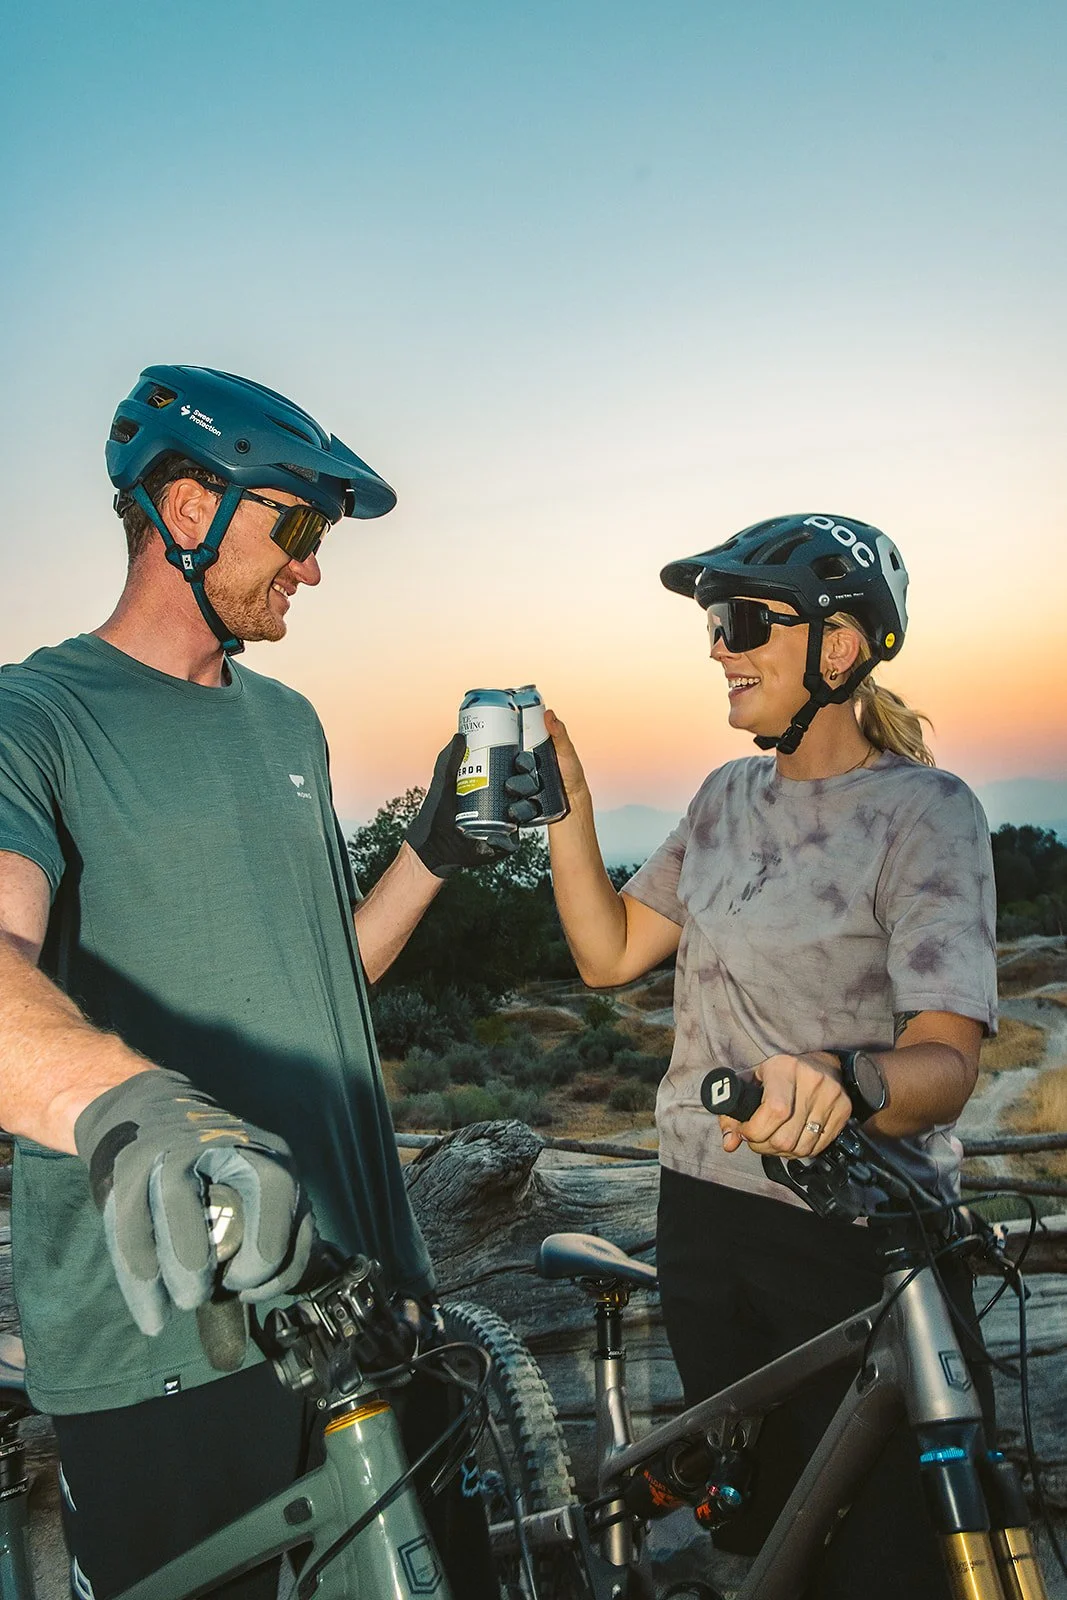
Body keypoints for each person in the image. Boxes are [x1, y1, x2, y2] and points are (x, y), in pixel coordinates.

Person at [0, 365, 513, 1600]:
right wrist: (135, 1115)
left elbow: (316, 971)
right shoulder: (36, 716)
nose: (315, 566)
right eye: (296, 525)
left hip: (365, 1295)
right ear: (184, 508)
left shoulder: (287, 722)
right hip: (170, 1338)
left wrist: (437, 844)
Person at [544, 513, 998, 1600]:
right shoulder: (719, 800)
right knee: (762, 1542)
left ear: (837, 649)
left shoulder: (921, 813)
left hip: (853, 1234)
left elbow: (945, 1055)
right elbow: (609, 953)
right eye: (713, 621)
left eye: (744, 621)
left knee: (890, 1554)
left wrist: (848, 1082)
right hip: (703, 1217)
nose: (716, 646)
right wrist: (565, 804)